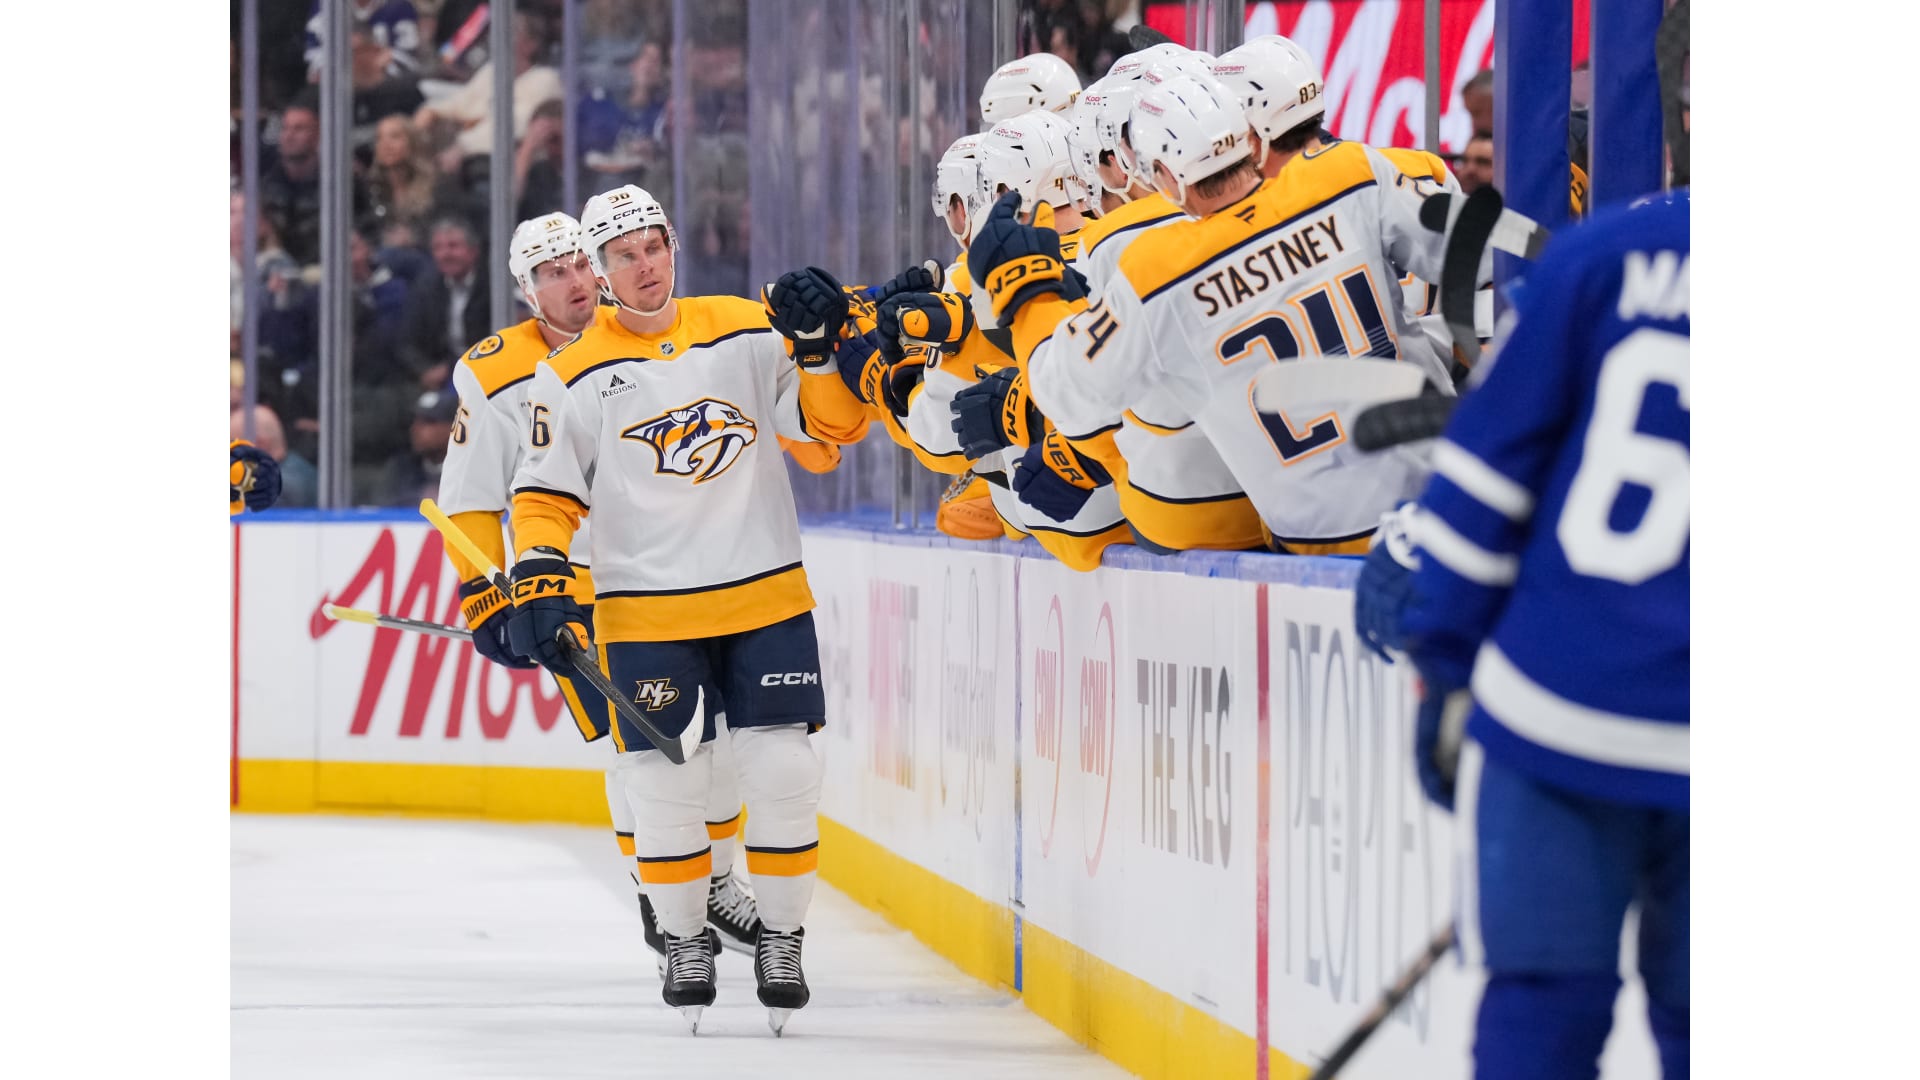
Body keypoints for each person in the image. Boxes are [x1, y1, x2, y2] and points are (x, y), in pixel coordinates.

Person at [505, 185, 869, 1032]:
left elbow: (827, 439)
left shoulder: (745, 329)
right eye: (623, 256)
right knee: (664, 785)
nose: (645, 266)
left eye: (653, 246)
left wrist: (820, 357)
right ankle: (683, 939)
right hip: (646, 615)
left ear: (673, 245)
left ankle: (782, 939)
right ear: (599, 273)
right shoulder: (568, 374)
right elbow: (544, 495)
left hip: (765, 595)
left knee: (783, 773)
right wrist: (539, 573)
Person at [1397, 192, 1690, 1080]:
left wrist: (1445, 661)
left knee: (1541, 1011)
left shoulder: (1603, 254)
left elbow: (1481, 484)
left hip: (1555, 713)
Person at [435, 212, 764, 964]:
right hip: (573, 587)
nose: (576, 282)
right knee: (639, 746)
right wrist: (486, 593)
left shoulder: (655, 334)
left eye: (582, 264)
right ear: (527, 292)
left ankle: (713, 881)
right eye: (553, 273)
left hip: (677, 572)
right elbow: (469, 496)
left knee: (712, 740)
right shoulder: (493, 372)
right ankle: (658, 890)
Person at [996, 70, 1470, 555]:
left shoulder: (1157, 269)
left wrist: (1027, 292)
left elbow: (1067, 392)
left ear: (1164, 176)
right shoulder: (1346, 173)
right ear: (1249, 138)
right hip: (1450, 497)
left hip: (1327, 542)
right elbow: (1483, 252)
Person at [399, 215, 491, 389]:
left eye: (453, 246)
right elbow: (407, 342)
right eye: (438, 248)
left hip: (487, 374)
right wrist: (424, 370)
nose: (445, 254)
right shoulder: (425, 288)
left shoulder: (492, 286)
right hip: (442, 380)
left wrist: (451, 367)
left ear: (473, 251)